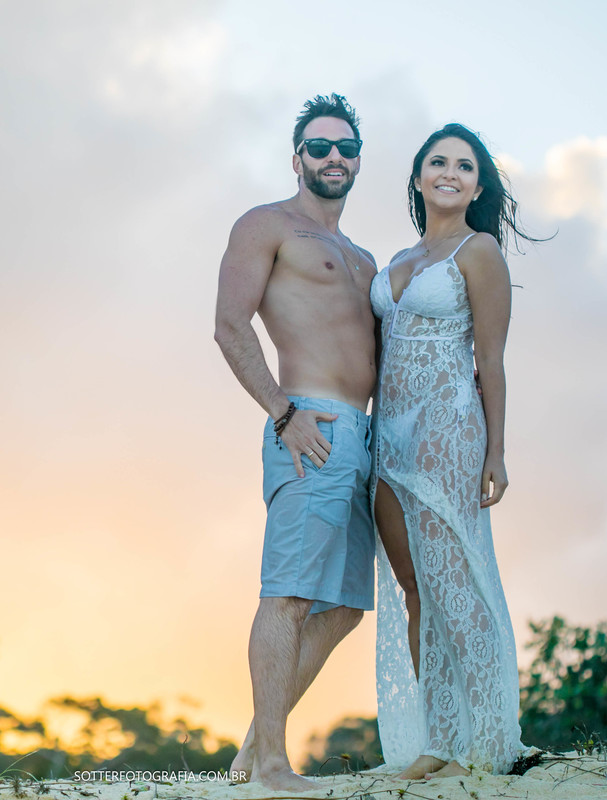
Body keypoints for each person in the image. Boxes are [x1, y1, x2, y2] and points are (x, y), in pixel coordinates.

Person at [214, 94, 378, 793]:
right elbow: (229, 324)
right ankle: (273, 766)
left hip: (365, 437)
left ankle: (254, 751)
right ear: (297, 158)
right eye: (319, 146)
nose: (333, 156)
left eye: (346, 147)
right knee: (287, 595)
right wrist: (284, 414)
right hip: (309, 426)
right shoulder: (267, 224)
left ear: (358, 162)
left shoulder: (363, 256)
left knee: (343, 606)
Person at [370, 123, 541, 778]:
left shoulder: (480, 251)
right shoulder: (398, 257)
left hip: (447, 435)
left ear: (476, 186)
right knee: (417, 589)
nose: (450, 172)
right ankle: (440, 741)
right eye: (438, 162)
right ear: (418, 177)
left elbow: (491, 361)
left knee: (457, 586)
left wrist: (496, 452)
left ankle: (491, 741)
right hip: (387, 437)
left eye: (464, 166)